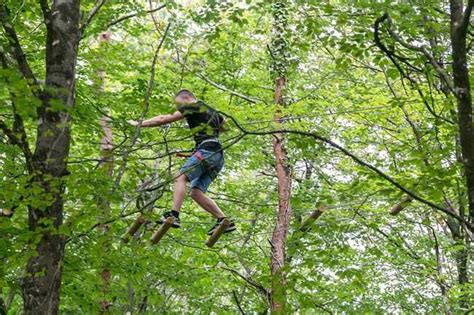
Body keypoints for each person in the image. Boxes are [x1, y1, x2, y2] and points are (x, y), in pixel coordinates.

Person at [128, 89, 236, 235]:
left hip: (206, 152)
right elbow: (226, 127)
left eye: (179, 105)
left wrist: (138, 124)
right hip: (217, 156)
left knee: (180, 177)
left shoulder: (193, 106)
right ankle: (223, 220)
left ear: (185, 99)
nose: (179, 109)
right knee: (196, 193)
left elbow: (163, 119)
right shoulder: (211, 110)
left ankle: (174, 214)